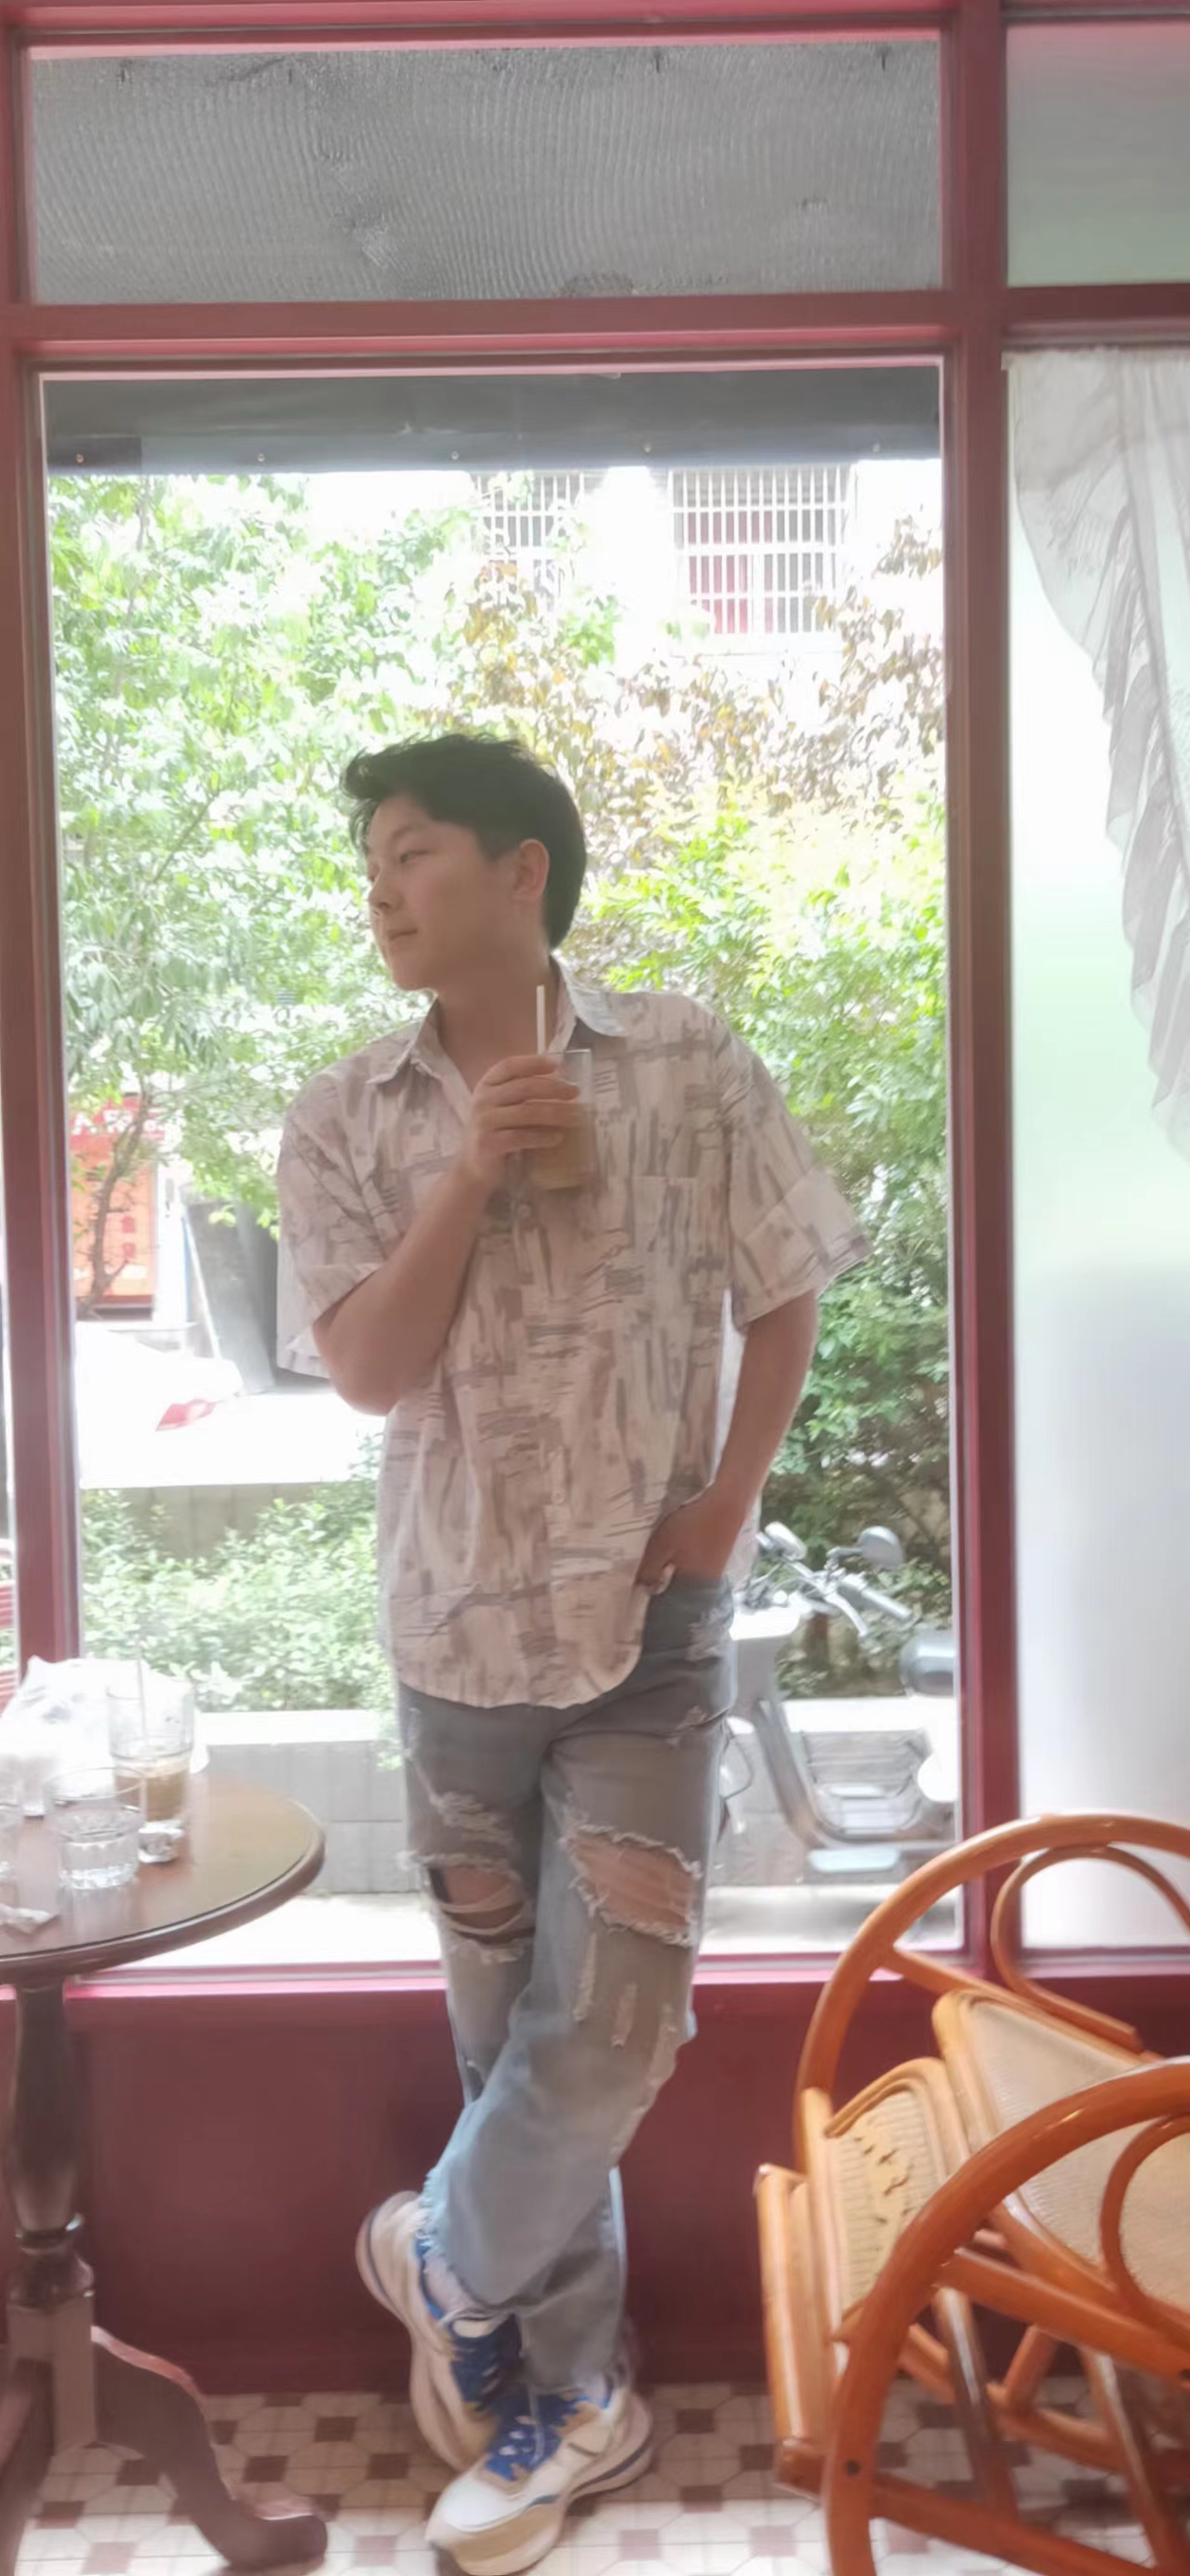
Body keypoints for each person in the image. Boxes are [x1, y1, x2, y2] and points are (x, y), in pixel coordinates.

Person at [276, 732, 866, 2574]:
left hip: (647, 1629)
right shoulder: (345, 1112)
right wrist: (465, 1173)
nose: (383, 889)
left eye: (414, 852)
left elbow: (788, 1286)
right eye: (373, 863)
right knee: (510, 2047)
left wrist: (729, 1502)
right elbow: (366, 1369)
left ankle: (441, 2254)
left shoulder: (686, 1058)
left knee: (613, 2024)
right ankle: (573, 2396)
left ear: (521, 868)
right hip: (451, 1630)